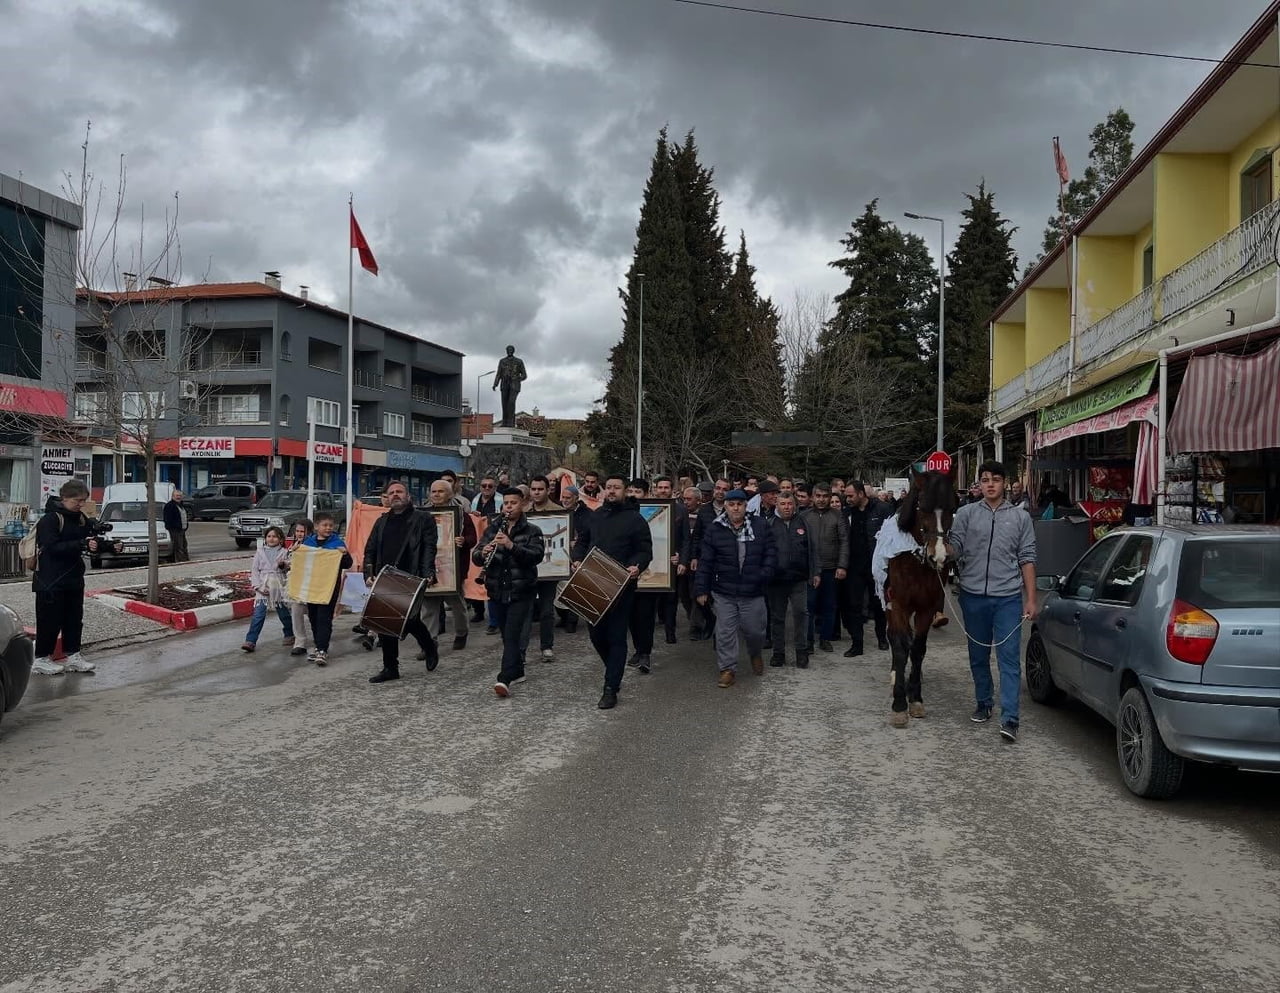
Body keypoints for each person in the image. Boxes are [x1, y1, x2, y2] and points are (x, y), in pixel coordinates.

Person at [946, 461, 1038, 743]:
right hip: (972, 596)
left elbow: (1027, 557)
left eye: (995, 480)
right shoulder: (965, 514)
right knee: (978, 655)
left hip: (1008, 597)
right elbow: (955, 548)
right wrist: (939, 547)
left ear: (1005, 484)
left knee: (1009, 658)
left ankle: (1010, 718)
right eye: (984, 480)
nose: (989, 485)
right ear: (979, 484)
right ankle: (984, 702)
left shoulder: (1020, 518)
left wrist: (1031, 598)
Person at [571, 473, 652, 709]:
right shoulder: (595, 517)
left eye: (617, 487)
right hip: (592, 582)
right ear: (604, 491)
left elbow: (645, 551)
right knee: (596, 635)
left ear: (625, 490)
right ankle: (613, 669)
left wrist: (637, 565)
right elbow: (582, 542)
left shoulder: (635, 520)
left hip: (621, 586)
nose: (612, 491)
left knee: (617, 636)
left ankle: (610, 688)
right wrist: (577, 558)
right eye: (609, 487)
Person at [695, 488, 776, 687]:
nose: (735, 508)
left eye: (739, 504)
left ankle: (755, 653)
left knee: (755, 631)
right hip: (724, 590)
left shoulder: (760, 525)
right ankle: (727, 669)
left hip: (753, 590)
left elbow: (771, 554)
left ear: (745, 506)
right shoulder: (715, 529)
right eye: (731, 504)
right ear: (725, 506)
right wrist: (701, 589)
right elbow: (706, 561)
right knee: (724, 631)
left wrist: (763, 575)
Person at [362, 482, 437, 683]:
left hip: (410, 576)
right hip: (384, 577)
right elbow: (370, 550)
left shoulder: (423, 519)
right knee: (386, 621)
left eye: (399, 492)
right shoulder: (381, 521)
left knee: (410, 620)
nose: (395, 495)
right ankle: (390, 668)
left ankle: (429, 647)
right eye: (391, 493)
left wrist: (428, 572)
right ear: (387, 497)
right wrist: (368, 573)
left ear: (408, 496)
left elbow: (429, 548)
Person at [474, 488, 545, 697]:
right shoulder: (493, 527)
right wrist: (482, 552)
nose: (509, 507)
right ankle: (518, 670)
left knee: (513, 633)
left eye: (513, 503)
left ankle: (504, 678)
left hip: (521, 589)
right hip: (497, 588)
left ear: (522, 504)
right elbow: (476, 555)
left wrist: (511, 545)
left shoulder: (532, 530)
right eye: (506, 503)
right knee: (506, 634)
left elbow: (536, 556)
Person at [31, 479, 102, 675]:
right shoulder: (50, 520)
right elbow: (52, 547)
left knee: (74, 619)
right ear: (64, 498)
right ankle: (41, 659)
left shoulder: (80, 518)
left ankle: (73, 656)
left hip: (73, 578)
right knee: (49, 621)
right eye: (77, 501)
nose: (80, 505)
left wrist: (109, 546)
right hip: (50, 580)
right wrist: (81, 544)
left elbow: (90, 542)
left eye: (83, 501)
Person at [767, 493, 817, 668]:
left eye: (790, 504)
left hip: (799, 579)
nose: (787, 507)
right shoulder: (770, 524)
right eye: (783, 504)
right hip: (777, 580)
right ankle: (778, 653)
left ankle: (801, 652)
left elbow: (812, 550)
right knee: (777, 617)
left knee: (801, 615)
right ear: (777, 505)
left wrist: (815, 573)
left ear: (795, 505)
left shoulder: (803, 523)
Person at [426, 479, 477, 651]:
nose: (436, 495)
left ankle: (462, 633)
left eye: (440, 491)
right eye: (434, 491)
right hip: (430, 566)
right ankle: (429, 642)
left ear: (449, 493)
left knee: (456, 603)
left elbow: (473, 538)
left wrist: (464, 540)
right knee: (429, 606)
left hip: (453, 568)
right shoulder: (423, 514)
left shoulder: (461, 514)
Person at [842, 481, 892, 657]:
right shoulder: (846, 512)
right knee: (854, 605)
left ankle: (882, 638)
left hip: (877, 565)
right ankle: (857, 643)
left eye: (850, 495)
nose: (847, 499)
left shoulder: (882, 509)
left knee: (878, 604)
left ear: (861, 494)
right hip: (855, 566)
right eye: (846, 496)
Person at [298, 511, 352, 667]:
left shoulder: (337, 544)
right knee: (313, 617)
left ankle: (322, 649)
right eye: (325, 525)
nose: (329, 528)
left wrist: (345, 554)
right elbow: (300, 563)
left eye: (331, 525)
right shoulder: (308, 543)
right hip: (311, 587)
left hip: (329, 588)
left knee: (324, 618)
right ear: (316, 526)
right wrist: (295, 552)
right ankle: (317, 646)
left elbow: (347, 564)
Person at [803, 483, 848, 653]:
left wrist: (842, 565)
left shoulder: (838, 516)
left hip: (831, 567)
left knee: (829, 605)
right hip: (811, 569)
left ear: (830, 497)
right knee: (809, 606)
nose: (821, 500)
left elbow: (844, 541)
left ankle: (825, 638)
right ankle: (808, 641)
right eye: (818, 496)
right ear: (813, 497)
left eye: (825, 496)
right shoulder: (805, 516)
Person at [242, 526, 294, 653]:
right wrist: (258, 586)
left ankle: (289, 634)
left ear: (281, 539)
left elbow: (288, 568)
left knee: (283, 612)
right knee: (258, 614)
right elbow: (254, 570)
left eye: (275, 536)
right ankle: (251, 641)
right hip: (263, 586)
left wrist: (283, 565)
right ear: (265, 538)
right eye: (269, 536)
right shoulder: (260, 552)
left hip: (278, 586)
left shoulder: (284, 552)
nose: (271, 539)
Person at [285, 520, 314, 656]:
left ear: (309, 532)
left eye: (302, 531)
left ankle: (321, 640)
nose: (299, 534)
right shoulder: (294, 545)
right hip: (296, 586)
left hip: (311, 586)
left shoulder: (313, 546)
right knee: (296, 611)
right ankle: (300, 642)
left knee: (315, 614)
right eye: (297, 531)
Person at [493, 345, 528, 428]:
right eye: (508, 350)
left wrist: (517, 379)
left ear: (513, 351)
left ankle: (511, 422)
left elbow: (524, 375)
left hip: (514, 385)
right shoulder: (502, 361)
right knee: (504, 403)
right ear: (506, 351)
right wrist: (495, 384)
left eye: (511, 350)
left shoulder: (519, 361)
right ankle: (504, 422)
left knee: (511, 402)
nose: (509, 351)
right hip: (504, 384)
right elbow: (499, 374)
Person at [163, 489, 189, 563]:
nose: (179, 497)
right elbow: (167, 519)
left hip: (182, 529)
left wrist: (186, 526)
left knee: (184, 545)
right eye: (177, 495)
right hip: (174, 530)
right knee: (178, 547)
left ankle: (185, 560)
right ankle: (180, 561)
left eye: (180, 495)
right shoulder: (169, 506)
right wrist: (172, 527)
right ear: (173, 496)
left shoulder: (181, 505)